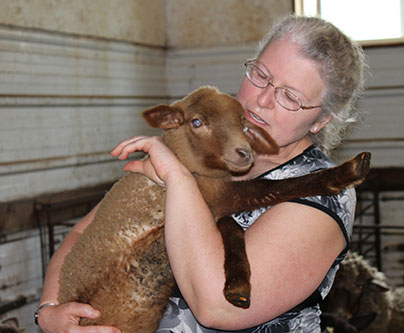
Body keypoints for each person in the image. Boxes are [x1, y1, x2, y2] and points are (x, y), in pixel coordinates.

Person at [35, 15, 367, 332]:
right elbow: (85, 233)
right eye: (260, 75)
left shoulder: (325, 194)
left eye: (290, 97)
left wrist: (179, 180)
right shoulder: (203, 144)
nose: (262, 100)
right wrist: (51, 311)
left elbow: (218, 308)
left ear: (322, 120)